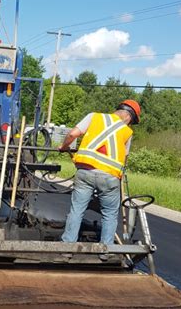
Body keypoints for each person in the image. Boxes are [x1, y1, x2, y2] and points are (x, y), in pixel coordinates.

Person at [58, 100, 141, 245]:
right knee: (109, 215)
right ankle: (105, 251)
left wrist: (63, 147)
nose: (130, 125)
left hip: (85, 173)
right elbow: (124, 159)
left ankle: (67, 246)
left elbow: (72, 134)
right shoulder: (127, 132)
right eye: (132, 122)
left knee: (77, 210)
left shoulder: (94, 117)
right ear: (129, 117)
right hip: (110, 178)